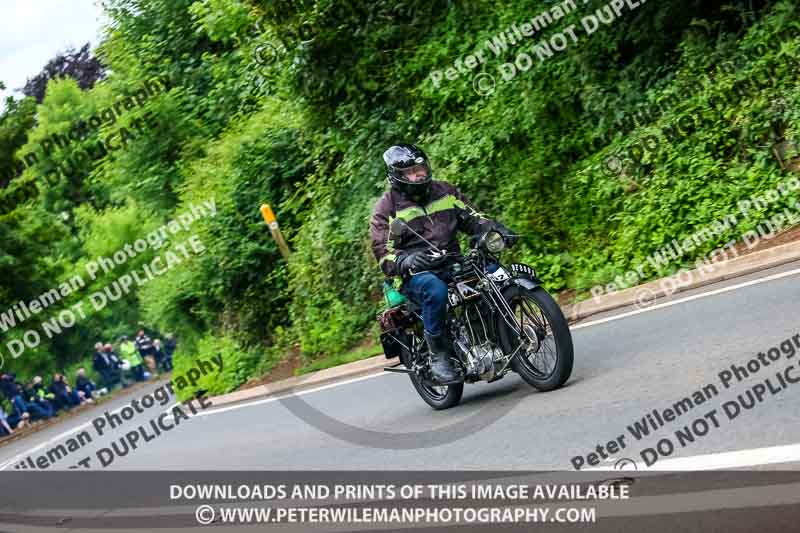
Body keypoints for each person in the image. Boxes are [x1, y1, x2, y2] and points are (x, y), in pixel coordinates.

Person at [369, 144, 518, 384]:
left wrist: (494, 229)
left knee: (496, 274)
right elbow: (382, 251)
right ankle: (439, 355)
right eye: (411, 172)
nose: (418, 175)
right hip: (413, 273)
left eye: (420, 169)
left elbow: (473, 217)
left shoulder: (444, 191)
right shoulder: (387, 209)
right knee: (435, 290)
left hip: (451, 261)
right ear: (396, 176)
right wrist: (405, 259)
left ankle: (504, 336)